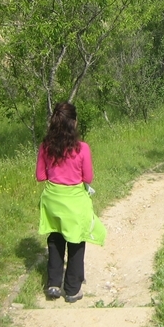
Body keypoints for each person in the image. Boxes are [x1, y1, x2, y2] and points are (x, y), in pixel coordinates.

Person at [36, 102, 106, 303]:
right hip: (75, 201)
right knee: (76, 242)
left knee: (55, 239)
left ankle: (53, 285)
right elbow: (88, 178)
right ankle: (72, 290)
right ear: (74, 123)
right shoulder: (82, 148)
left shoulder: (45, 147)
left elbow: (41, 176)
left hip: (52, 201)